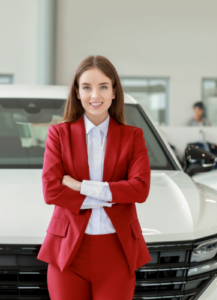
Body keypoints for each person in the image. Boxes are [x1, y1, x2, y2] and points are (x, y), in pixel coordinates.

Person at [37, 55, 151, 300]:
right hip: (67, 252)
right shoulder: (59, 134)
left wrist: (80, 187)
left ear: (113, 92)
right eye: (87, 87)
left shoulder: (133, 136)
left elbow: (140, 190)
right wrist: (114, 194)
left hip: (117, 252)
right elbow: (52, 192)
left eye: (103, 87)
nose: (95, 96)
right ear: (77, 93)